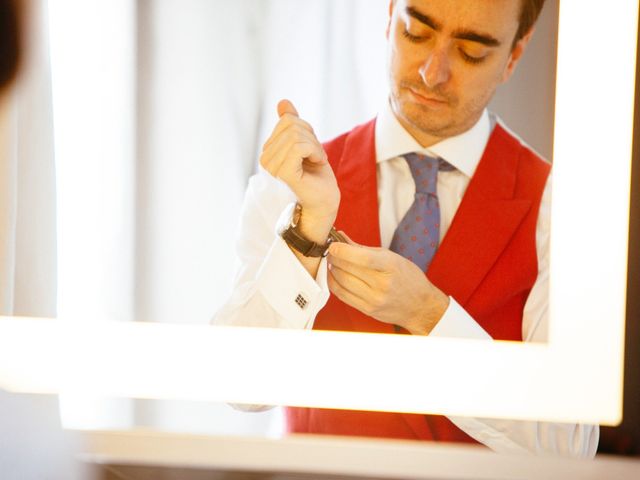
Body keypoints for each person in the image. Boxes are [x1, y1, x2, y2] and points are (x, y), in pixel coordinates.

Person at [214, 0, 599, 457]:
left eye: (471, 52)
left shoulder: (563, 211)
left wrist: (432, 317)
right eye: (416, 33)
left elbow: (572, 442)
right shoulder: (291, 184)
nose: (432, 73)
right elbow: (238, 384)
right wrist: (307, 232)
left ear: (514, 55)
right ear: (390, 15)